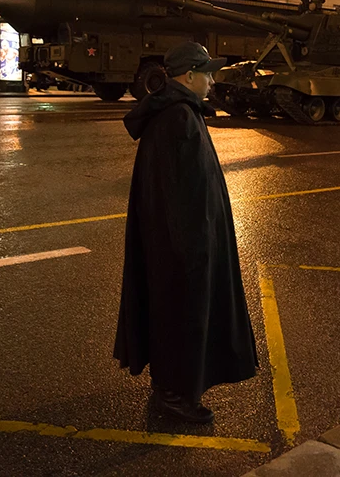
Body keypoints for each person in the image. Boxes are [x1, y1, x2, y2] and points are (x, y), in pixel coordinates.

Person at [114, 41, 258, 424]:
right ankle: (174, 397)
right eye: (207, 72)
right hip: (183, 248)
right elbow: (180, 198)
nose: (212, 80)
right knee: (182, 316)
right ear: (189, 76)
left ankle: (173, 390)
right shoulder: (178, 118)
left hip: (177, 243)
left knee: (174, 316)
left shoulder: (179, 112)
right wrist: (194, 252)